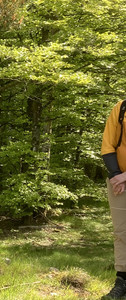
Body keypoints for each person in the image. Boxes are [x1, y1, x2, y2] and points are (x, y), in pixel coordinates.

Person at [102, 100, 126, 299]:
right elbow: (108, 145)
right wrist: (116, 175)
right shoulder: (121, 107)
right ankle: (123, 280)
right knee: (122, 232)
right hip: (119, 181)